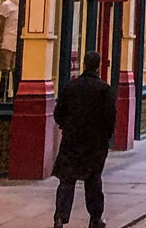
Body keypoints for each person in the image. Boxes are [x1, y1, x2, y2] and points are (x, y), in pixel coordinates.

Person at [52, 50, 116, 228]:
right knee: (93, 182)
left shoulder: (71, 87)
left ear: (84, 64)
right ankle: (95, 218)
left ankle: (60, 217)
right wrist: (106, 137)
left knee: (67, 180)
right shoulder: (104, 89)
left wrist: (67, 127)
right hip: (94, 143)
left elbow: (58, 113)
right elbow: (110, 117)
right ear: (98, 66)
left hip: (72, 141)